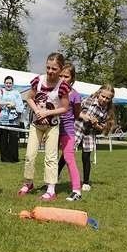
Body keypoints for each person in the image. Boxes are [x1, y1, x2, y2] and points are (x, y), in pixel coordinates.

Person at [18, 53, 70, 201]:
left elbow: (65, 108)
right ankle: (28, 182)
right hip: (36, 124)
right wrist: (37, 111)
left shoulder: (62, 87)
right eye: (48, 67)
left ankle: (51, 188)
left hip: (52, 126)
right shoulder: (38, 81)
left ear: (60, 69)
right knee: (29, 155)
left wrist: (48, 112)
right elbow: (29, 98)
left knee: (51, 157)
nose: (50, 71)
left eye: (54, 68)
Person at [73, 85, 116, 192]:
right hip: (77, 128)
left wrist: (96, 124)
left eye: (108, 98)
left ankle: (86, 182)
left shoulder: (107, 112)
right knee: (67, 154)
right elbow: (75, 111)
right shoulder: (87, 100)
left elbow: (103, 129)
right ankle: (56, 176)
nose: (104, 100)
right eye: (103, 96)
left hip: (90, 133)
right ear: (99, 93)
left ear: (111, 99)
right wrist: (84, 116)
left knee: (86, 157)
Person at [56, 63, 83, 201]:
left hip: (68, 130)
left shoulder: (76, 95)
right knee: (51, 158)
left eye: (66, 76)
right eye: (60, 75)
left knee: (68, 158)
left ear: (72, 79)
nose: (62, 78)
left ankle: (76, 190)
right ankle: (50, 186)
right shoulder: (54, 91)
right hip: (53, 129)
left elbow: (77, 114)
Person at [0, 76, 24, 162]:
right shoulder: (0, 92)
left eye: (10, 83)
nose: (8, 84)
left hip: (14, 120)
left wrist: (14, 105)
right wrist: (7, 103)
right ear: (4, 83)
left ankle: (14, 158)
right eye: (7, 83)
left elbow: (20, 106)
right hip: (3, 119)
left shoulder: (17, 93)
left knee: (13, 139)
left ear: (12, 84)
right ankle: (4, 158)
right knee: (3, 139)